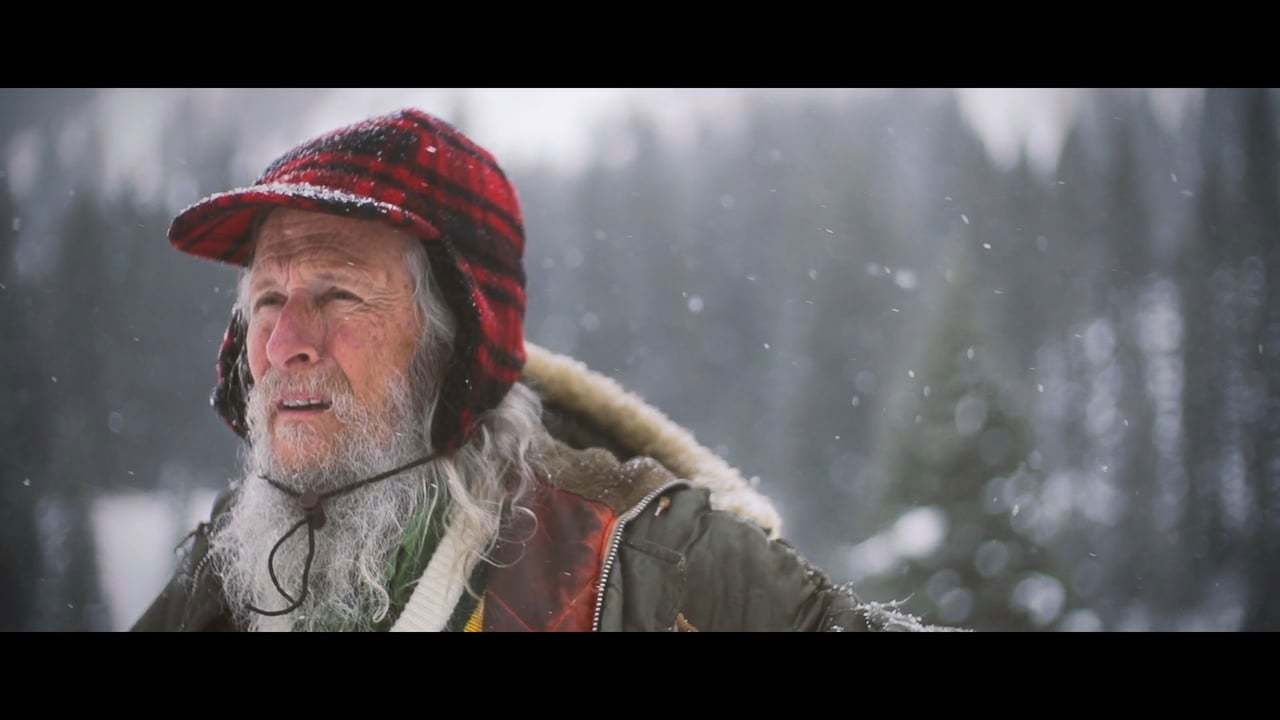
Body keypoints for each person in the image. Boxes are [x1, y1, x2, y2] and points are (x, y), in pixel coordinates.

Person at [132, 108, 944, 632]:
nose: (283, 345)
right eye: (268, 300)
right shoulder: (232, 560)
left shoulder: (634, 558)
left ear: (456, 342)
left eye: (339, 294)